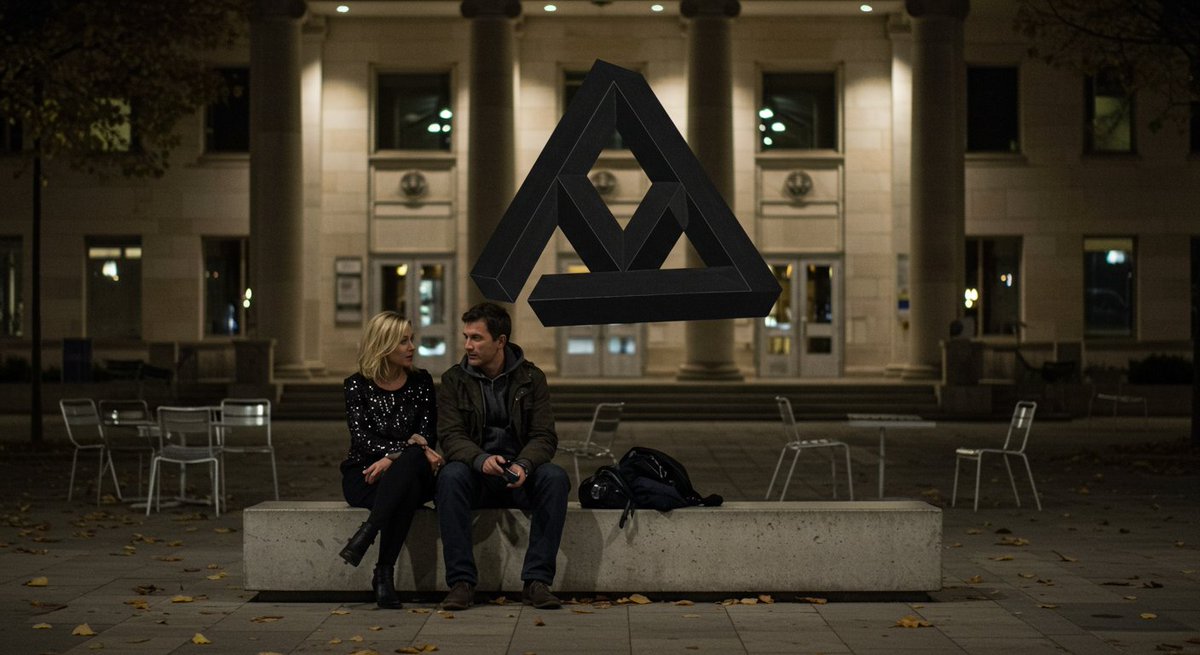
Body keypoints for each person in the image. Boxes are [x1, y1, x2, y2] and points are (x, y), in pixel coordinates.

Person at [436, 302, 569, 611]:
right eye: (466, 337)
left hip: (518, 476)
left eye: (477, 338)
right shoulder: (454, 380)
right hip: (477, 474)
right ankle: (461, 582)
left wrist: (524, 464)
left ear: (500, 341)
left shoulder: (531, 378)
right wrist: (481, 459)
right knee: (449, 476)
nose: (468, 345)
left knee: (555, 478)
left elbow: (544, 435)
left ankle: (537, 582)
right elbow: (451, 436)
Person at [338, 311, 444, 609]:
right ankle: (383, 574)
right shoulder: (356, 385)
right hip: (365, 475)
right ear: (383, 344)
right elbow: (361, 439)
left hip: (411, 472)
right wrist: (398, 453)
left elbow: (427, 437)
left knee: (412, 464)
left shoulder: (421, 381)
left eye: (412, 339)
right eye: (403, 341)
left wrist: (394, 458)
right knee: (405, 489)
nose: (412, 347)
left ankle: (367, 533)